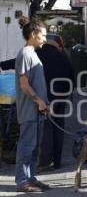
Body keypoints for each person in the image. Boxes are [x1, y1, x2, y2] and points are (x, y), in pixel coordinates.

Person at [14, 17, 50, 192]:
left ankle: (31, 178)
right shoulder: (25, 54)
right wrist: (39, 101)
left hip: (38, 111)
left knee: (34, 148)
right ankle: (22, 182)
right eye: (43, 35)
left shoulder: (32, 53)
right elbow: (24, 85)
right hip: (29, 111)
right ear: (33, 34)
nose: (45, 38)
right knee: (26, 146)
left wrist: (44, 103)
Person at [36, 34, 75, 171]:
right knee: (58, 128)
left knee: (47, 128)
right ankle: (57, 161)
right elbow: (72, 78)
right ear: (56, 44)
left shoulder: (37, 53)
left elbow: (19, 61)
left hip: (45, 96)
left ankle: (46, 161)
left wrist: (2, 65)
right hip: (60, 97)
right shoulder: (63, 56)